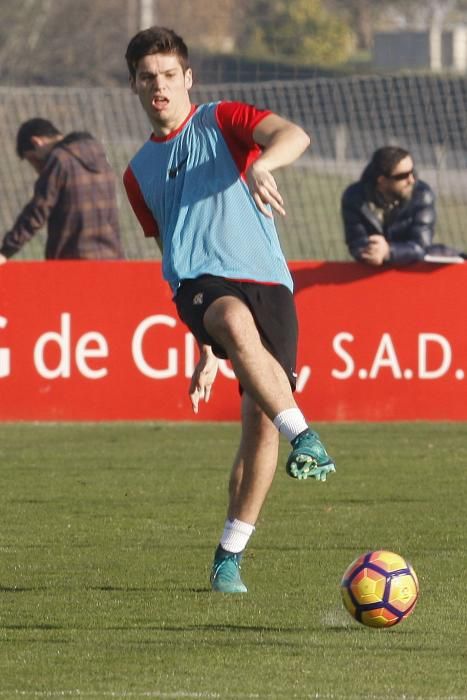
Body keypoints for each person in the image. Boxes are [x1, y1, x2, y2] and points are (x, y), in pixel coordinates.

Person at [123, 26, 336, 595]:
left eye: (169, 75)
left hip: (270, 284)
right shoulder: (137, 173)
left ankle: (228, 556)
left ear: (188, 79)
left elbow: (294, 135)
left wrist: (265, 164)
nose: (159, 86)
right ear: (135, 86)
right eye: (148, 78)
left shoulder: (224, 119)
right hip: (201, 285)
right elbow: (177, 247)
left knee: (258, 429)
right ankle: (307, 436)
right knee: (231, 322)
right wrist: (206, 348)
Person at [0, 118, 124, 263]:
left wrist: (6, 251)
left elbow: (38, 210)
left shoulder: (60, 159)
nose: (38, 169)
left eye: (33, 160)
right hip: (112, 260)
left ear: (36, 142)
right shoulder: (100, 156)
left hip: (73, 263)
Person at [341, 146, 436, 266]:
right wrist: (372, 251)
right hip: (370, 269)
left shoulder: (422, 195)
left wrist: (388, 252)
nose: (411, 180)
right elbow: (356, 241)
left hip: (410, 270)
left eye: (413, 172)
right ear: (382, 180)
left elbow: (421, 246)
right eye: (403, 176)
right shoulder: (354, 197)